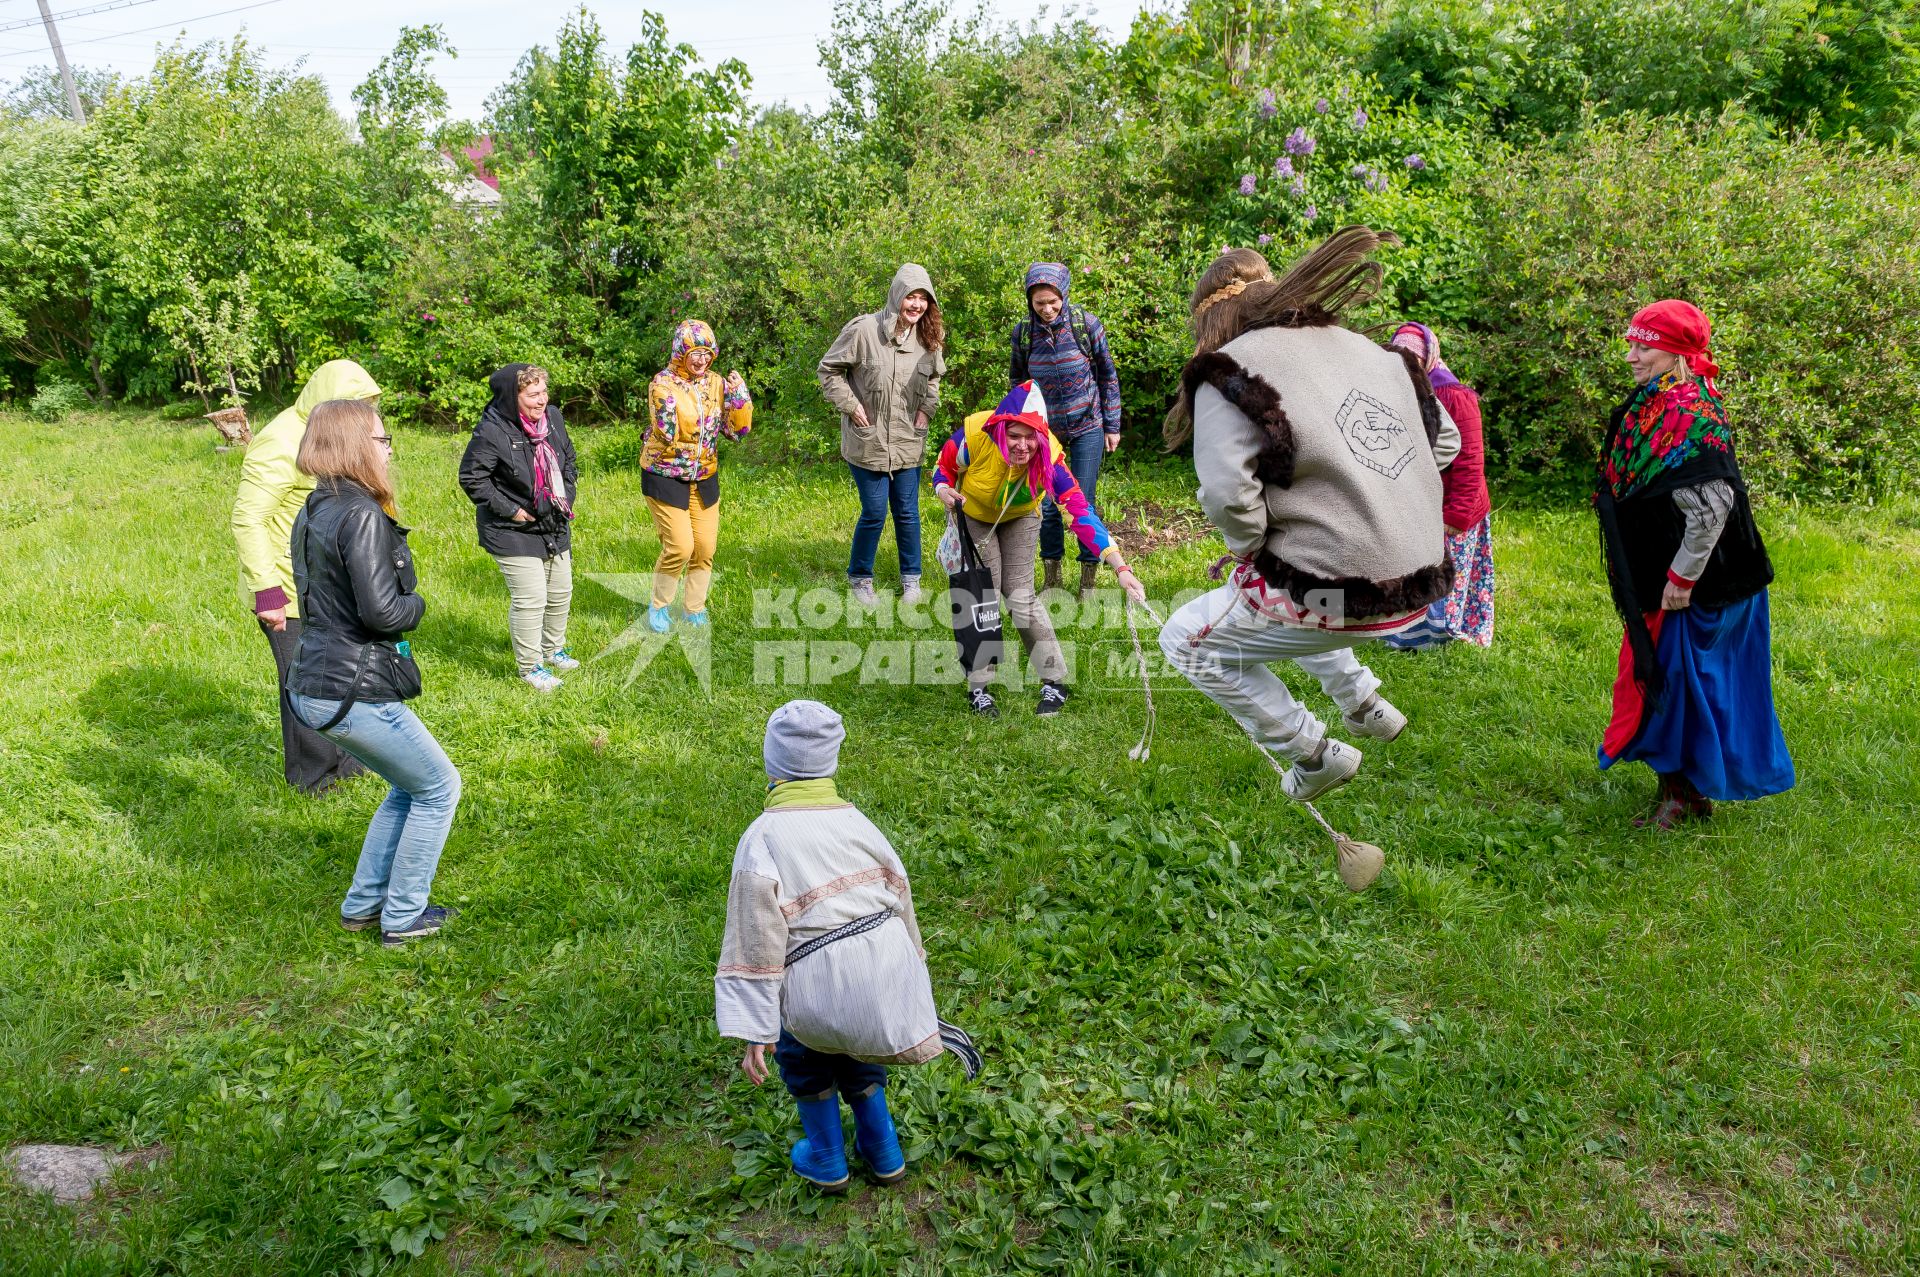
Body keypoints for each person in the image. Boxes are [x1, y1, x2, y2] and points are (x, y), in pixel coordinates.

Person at [1156, 228, 1461, 802]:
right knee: (1270, 600)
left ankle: (1314, 753)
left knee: (1186, 639)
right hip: (1417, 584)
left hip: (1334, 593)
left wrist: (1251, 543)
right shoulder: (1373, 352)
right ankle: (1365, 702)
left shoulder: (1230, 370)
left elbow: (1227, 495)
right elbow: (1443, 446)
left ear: (1211, 321)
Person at [716, 700, 980, 1192]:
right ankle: (884, 1151)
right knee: (859, 1050)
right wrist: (913, 974)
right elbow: (902, 898)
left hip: (817, 978)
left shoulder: (763, 837)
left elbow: (756, 934)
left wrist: (757, 1026)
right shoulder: (861, 825)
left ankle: (826, 1159)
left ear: (771, 770)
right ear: (832, 763)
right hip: (881, 969)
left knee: (805, 1057)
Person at [1595, 300, 1793, 828]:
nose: (1632, 356)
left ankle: (1684, 797)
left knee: (1682, 688)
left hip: (1704, 581)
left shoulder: (1687, 411)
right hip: (1668, 574)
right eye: (1631, 343)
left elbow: (1711, 506)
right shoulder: (1659, 400)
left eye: (1645, 345)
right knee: (1668, 681)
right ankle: (1680, 791)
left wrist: (1682, 578)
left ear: (1677, 352)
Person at [285, 399, 461, 948]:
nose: (389, 450)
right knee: (438, 788)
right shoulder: (360, 512)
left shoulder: (314, 506)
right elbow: (382, 612)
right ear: (357, 445)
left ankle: (362, 906)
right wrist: (420, 606)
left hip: (313, 681)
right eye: (382, 441)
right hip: (351, 688)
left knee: (406, 788)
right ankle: (404, 918)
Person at [932, 382, 1145, 718]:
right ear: (1001, 429)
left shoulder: (1051, 458)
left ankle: (1054, 681)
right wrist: (943, 489)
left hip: (1021, 516)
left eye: (1030, 437)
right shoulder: (973, 434)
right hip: (973, 516)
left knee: (1020, 596)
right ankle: (979, 688)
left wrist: (1120, 567)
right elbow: (942, 468)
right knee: (981, 596)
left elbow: (1080, 512)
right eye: (1014, 435)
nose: (1022, 445)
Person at [230, 360, 380, 794]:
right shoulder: (280, 442)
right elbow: (248, 520)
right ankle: (312, 777)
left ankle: (347, 761)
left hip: (330, 586)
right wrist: (267, 594)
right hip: (289, 591)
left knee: (340, 675)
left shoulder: (336, 437)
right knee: (304, 684)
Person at [818, 264, 945, 605]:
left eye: (923, 299)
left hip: (907, 438)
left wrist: (925, 411)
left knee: (907, 511)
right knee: (874, 511)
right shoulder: (863, 330)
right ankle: (861, 579)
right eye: (910, 296)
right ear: (896, 296)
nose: (916, 305)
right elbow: (829, 370)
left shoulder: (928, 337)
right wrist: (851, 406)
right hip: (868, 438)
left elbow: (933, 379)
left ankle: (912, 582)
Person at [458, 364, 579, 690]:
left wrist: (565, 495)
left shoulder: (552, 417)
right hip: (511, 528)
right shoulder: (492, 431)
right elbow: (472, 478)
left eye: (544, 392)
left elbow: (568, 459)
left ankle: (553, 650)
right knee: (531, 597)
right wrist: (512, 511)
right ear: (512, 398)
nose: (542, 400)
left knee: (560, 591)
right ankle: (530, 667)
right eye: (533, 394)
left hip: (553, 520)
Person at [1009, 263, 1124, 599]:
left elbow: (1108, 376)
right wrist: (1021, 430)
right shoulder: (1024, 334)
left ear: (1064, 294)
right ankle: (1052, 577)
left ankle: (1088, 581)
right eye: (1039, 303)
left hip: (1088, 424)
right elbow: (1019, 382)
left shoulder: (1085, 325)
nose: (1046, 309)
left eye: (1052, 302)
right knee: (1045, 506)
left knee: (1082, 503)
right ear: (1030, 301)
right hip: (1045, 432)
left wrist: (1112, 425)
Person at [1384, 322, 1495, 649]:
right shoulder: (1398, 392)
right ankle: (1411, 637)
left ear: (1428, 358)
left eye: (1412, 360)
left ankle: (1447, 636)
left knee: (1449, 576)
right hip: (1420, 505)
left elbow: (1470, 460)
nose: (1406, 367)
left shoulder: (1453, 395)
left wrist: (1456, 515)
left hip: (1454, 507)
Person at [643, 320, 752, 632]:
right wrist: (670, 403)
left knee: (704, 548)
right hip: (664, 474)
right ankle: (660, 606)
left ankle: (694, 609)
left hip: (704, 476)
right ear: (681, 352)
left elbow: (737, 432)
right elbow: (665, 433)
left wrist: (740, 397)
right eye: (695, 352)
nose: (702, 359)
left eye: (707, 352)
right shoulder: (662, 383)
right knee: (680, 546)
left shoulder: (717, 383)